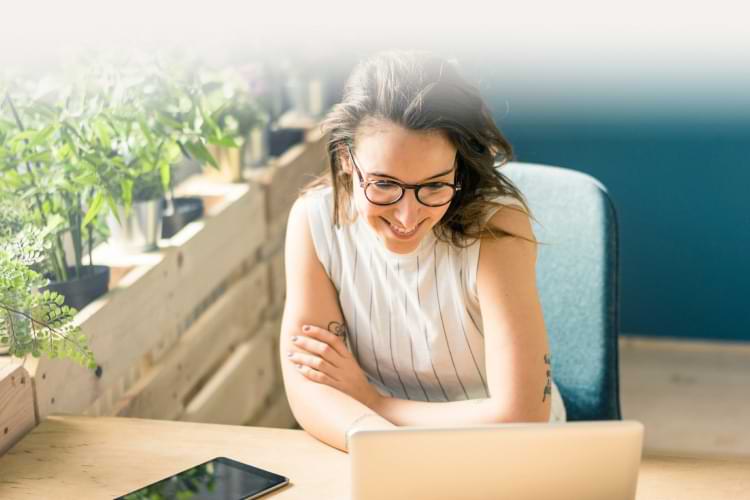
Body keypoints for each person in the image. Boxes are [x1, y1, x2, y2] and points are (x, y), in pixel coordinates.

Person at [280, 50, 566, 452]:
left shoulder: (498, 229)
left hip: (499, 450)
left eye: (434, 185)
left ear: (457, 169)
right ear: (347, 159)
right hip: (370, 436)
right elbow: (309, 382)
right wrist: (383, 442)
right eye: (383, 184)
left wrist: (374, 403)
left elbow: (521, 417)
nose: (407, 215)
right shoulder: (314, 221)